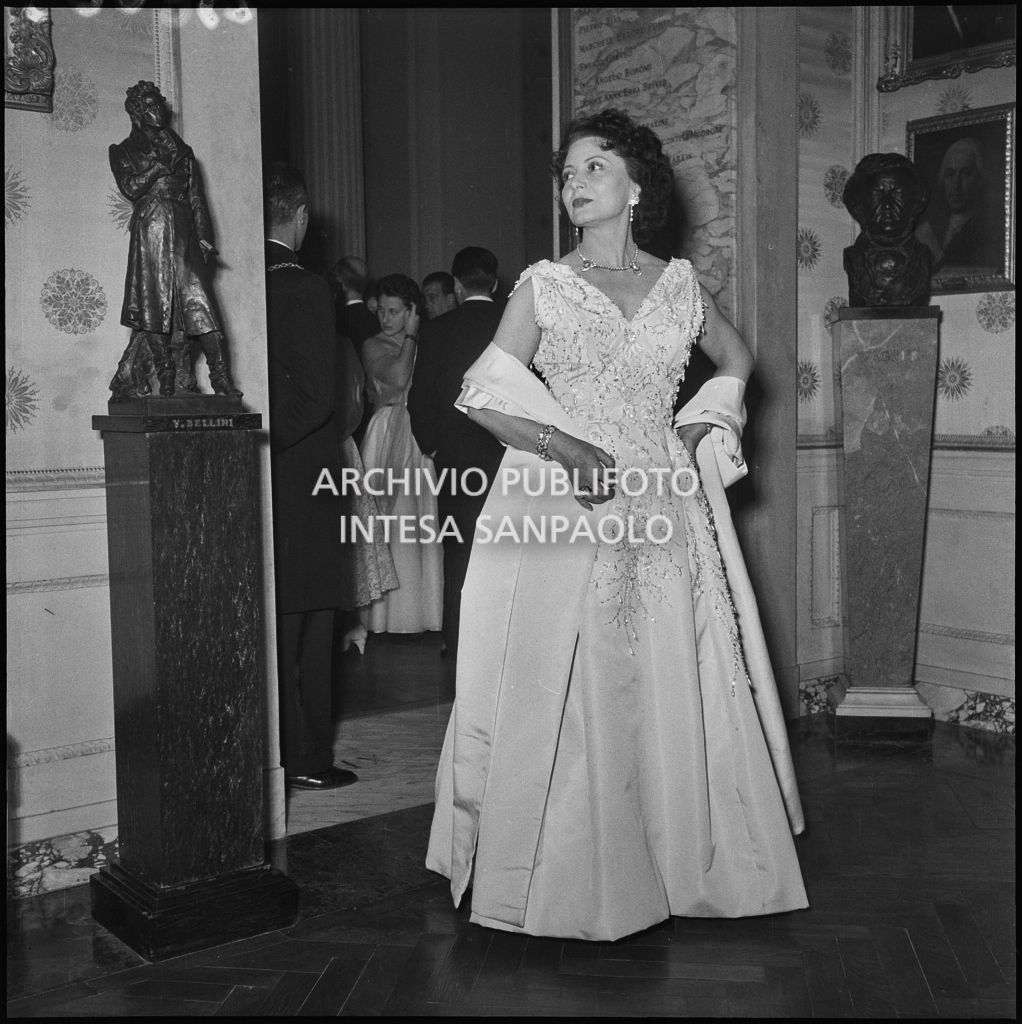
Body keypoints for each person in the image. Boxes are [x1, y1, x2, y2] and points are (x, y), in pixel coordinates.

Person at [426, 108, 807, 940]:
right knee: (589, 673)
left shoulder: (679, 285)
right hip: (578, 500)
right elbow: (480, 394)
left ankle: (682, 857)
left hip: (665, 499)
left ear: (636, 186)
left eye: (593, 166)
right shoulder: (544, 285)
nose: (575, 182)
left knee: (673, 664)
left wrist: (707, 420)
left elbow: (739, 360)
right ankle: (587, 871)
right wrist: (559, 444)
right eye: (567, 172)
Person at [263, 161, 358, 791]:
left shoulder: (243, 282)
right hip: (306, 475)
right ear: (300, 216)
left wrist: (255, 449)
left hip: (264, 473)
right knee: (315, 622)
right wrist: (275, 446)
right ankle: (308, 760)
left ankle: (276, 754)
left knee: (277, 622)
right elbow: (321, 398)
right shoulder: (307, 287)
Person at [108, 80, 240, 400]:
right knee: (152, 308)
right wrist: (156, 168)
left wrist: (204, 239)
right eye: (150, 107)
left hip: (183, 232)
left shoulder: (183, 151)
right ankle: (165, 371)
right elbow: (130, 187)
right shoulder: (122, 150)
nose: (159, 112)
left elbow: (197, 199)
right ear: (137, 114)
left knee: (201, 306)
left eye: (159, 105)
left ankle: (221, 377)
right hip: (150, 229)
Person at [408, 247, 505, 657]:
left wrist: (433, 445)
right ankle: (502, 644)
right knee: (511, 551)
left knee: (459, 552)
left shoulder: (437, 330)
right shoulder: (514, 323)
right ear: (495, 283)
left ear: (458, 286)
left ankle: (459, 641)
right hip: (509, 455)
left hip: (456, 458)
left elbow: (419, 400)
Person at [358, 274, 443, 635]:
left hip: (418, 431)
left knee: (420, 520)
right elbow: (396, 376)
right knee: (391, 521)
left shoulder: (429, 339)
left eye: (395, 312)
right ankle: (385, 619)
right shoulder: (373, 344)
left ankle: (424, 614)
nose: (385, 318)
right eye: (382, 310)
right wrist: (410, 336)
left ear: (411, 311)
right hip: (386, 433)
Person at [841, 152, 931, 307]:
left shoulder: (923, 257)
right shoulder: (853, 257)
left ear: (915, 200)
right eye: (877, 193)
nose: (887, 204)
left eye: (897, 192)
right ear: (860, 203)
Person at [916, 136, 1002, 274]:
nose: (956, 185)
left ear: (979, 180)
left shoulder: (989, 231)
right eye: (950, 174)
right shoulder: (927, 231)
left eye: (965, 174)